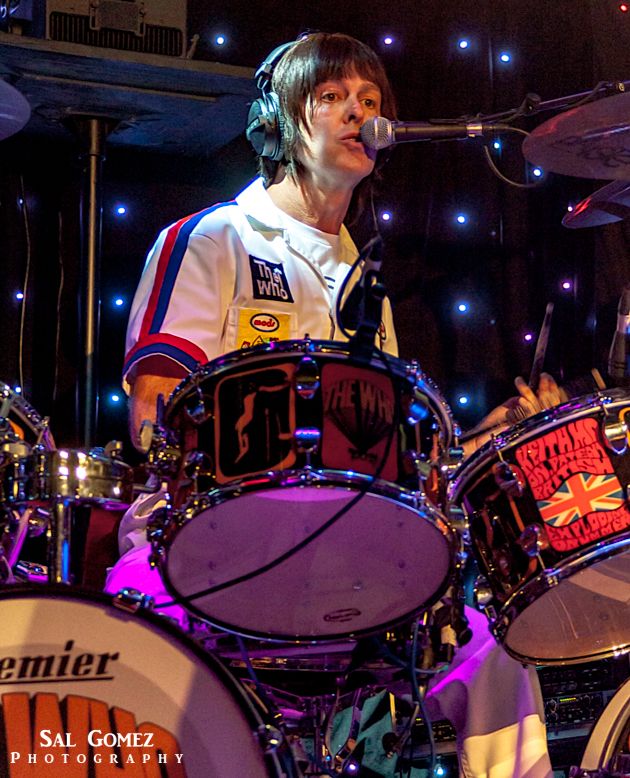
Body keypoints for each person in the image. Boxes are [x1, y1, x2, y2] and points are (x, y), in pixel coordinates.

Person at [107, 32, 554, 778]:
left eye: (370, 101)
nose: (358, 113)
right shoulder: (212, 238)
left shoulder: (362, 282)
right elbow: (153, 409)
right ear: (281, 121)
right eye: (332, 97)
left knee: (493, 655)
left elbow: (395, 461)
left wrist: (498, 437)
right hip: (205, 553)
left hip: (344, 562)